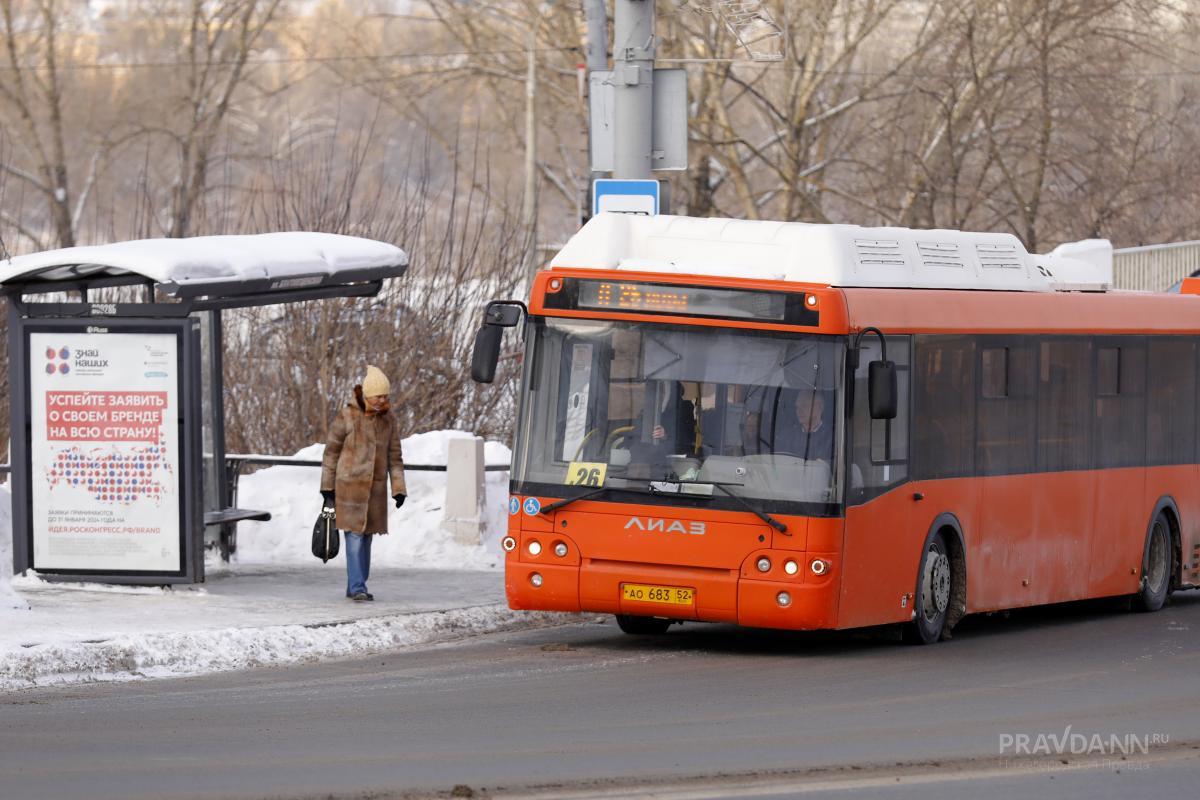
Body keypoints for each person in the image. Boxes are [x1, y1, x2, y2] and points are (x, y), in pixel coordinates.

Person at [320, 365, 406, 602]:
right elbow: (331, 453)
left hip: (375, 492)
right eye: (378, 395)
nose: (382, 400)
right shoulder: (348, 416)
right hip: (349, 489)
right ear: (367, 394)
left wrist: (398, 489)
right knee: (355, 537)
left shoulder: (388, 421)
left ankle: (355, 586)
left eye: (385, 396)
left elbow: (395, 457)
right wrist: (327, 488)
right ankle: (358, 586)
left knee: (366, 538)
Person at [779, 388, 834, 463]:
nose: (799, 411)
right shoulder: (786, 436)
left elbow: (836, 465)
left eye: (804, 405)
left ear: (820, 407)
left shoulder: (832, 436)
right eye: (797, 407)